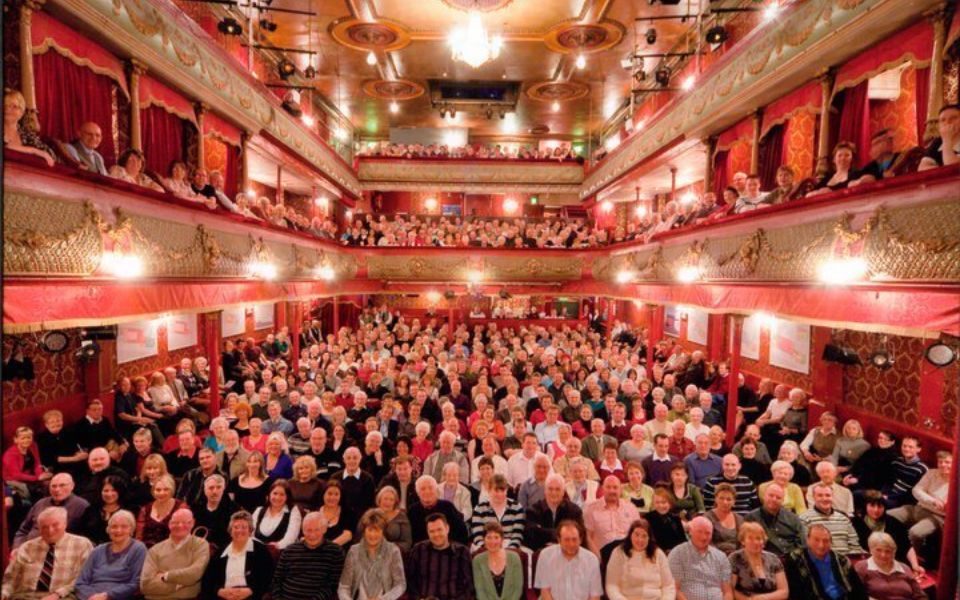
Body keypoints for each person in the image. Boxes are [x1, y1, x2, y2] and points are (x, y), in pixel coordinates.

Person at [1, 506, 93, 600]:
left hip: (63, 596)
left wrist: (58, 594)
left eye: (55, 525)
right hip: (27, 596)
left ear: (65, 524)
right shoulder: (27, 547)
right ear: (39, 528)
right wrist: (3, 594)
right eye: (44, 527)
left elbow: (83, 578)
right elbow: (10, 579)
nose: (50, 531)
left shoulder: (82, 545)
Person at [887, 449, 951, 561]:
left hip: (936, 517)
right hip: (918, 508)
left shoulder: (956, 482)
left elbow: (947, 507)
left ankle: (912, 559)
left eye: (947, 462)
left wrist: (932, 499)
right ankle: (890, 548)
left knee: (915, 533)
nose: (943, 465)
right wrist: (933, 500)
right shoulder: (931, 473)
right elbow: (916, 490)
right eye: (940, 462)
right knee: (889, 515)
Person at [270, 512, 346, 600]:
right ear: (303, 531)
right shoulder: (289, 551)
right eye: (308, 530)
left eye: (317, 530)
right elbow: (276, 581)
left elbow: (332, 585)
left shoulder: (336, 552)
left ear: (324, 529)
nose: (312, 535)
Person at [201, 509, 274, 600]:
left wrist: (251, 590)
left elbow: (268, 577)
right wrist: (219, 591)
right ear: (230, 531)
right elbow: (208, 580)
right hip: (224, 596)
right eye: (236, 527)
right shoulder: (221, 552)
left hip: (251, 596)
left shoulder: (260, 550)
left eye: (244, 527)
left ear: (250, 531)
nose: (239, 530)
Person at [74, 510, 147, 600]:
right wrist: (91, 596)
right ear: (108, 530)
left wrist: (107, 596)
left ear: (131, 529)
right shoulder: (98, 550)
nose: (118, 530)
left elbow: (136, 583)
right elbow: (81, 582)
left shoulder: (138, 548)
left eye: (124, 527)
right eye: (114, 527)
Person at [140, 508, 210, 600]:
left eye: (185, 522)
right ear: (169, 524)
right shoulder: (155, 549)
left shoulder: (200, 545)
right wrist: (179, 584)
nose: (180, 526)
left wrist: (166, 576)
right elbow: (145, 585)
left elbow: (195, 574)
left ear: (193, 523)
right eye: (175, 522)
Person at [784, 524, 867, 600]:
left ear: (830, 543)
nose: (821, 545)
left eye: (826, 541)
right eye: (816, 540)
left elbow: (858, 589)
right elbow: (795, 594)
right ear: (808, 540)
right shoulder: (795, 560)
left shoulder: (842, 560)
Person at [337, 509, 406, 600]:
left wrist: (384, 599)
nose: (372, 535)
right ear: (364, 530)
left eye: (377, 530)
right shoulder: (354, 551)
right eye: (370, 530)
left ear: (383, 531)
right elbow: (344, 586)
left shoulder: (393, 551)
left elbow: (400, 584)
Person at [852, 491, 924, 578]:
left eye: (880, 506)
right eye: (872, 505)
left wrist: (915, 565)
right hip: (870, 565)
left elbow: (907, 546)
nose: (876, 510)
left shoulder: (893, 522)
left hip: (895, 563)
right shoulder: (857, 523)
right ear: (865, 506)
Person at [406, 513, 474, 600]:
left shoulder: (462, 552)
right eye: (432, 531)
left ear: (447, 529)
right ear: (427, 532)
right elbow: (410, 582)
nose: (436, 534)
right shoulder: (418, 550)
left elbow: (468, 586)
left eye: (439, 530)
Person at [605, 518, 676, 600]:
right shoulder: (618, 552)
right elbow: (611, 586)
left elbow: (668, 586)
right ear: (630, 535)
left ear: (649, 538)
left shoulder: (658, 554)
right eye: (636, 534)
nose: (640, 540)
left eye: (644, 536)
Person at [13, 472, 90, 548]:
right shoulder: (40, 503)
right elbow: (23, 530)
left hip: (61, 551)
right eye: (53, 486)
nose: (57, 489)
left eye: (62, 485)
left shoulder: (82, 505)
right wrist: (17, 547)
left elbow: (86, 537)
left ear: (72, 486)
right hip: (29, 549)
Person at [667, 516, 734, 600]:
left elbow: (727, 592)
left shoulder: (721, 557)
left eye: (708, 533)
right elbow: (675, 589)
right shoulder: (677, 553)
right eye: (699, 532)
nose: (704, 537)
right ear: (690, 532)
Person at [534, 520, 603, 600]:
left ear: (580, 539)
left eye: (574, 539)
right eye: (567, 540)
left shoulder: (591, 560)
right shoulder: (546, 556)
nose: (571, 544)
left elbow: (595, 595)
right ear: (559, 540)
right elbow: (545, 591)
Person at [853, 532, 925, 600]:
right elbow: (855, 595)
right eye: (878, 550)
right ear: (871, 550)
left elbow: (920, 596)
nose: (883, 555)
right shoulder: (862, 567)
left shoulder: (904, 568)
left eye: (888, 551)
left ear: (894, 553)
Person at [524, 473, 584, 551]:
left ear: (563, 492)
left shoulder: (574, 511)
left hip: (568, 551)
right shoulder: (533, 510)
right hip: (540, 552)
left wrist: (542, 531)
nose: (554, 493)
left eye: (557, 489)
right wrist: (562, 534)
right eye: (550, 489)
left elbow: (579, 535)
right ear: (545, 491)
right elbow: (530, 536)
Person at [799, 484, 863, 556]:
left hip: (846, 561)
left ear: (832, 497)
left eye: (828, 495)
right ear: (814, 497)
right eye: (820, 495)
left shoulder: (843, 519)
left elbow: (855, 545)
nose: (825, 499)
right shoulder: (805, 519)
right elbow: (807, 547)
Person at [728, 522, 788, 599]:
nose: (756, 542)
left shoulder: (773, 559)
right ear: (743, 541)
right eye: (750, 538)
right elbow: (728, 590)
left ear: (764, 542)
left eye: (759, 538)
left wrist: (763, 598)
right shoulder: (734, 558)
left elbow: (784, 591)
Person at [744, 483, 806, 557]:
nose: (774, 499)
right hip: (765, 559)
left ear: (783, 500)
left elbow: (802, 543)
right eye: (771, 495)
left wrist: (794, 556)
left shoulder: (793, 518)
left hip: (792, 559)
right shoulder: (751, 518)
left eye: (778, 497)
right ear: (764, 496)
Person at [584, 476, 641, 555]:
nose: (612, 491)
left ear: (620, 490)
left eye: (615, 487)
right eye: (608, 487)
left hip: (627, 553)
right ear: (602, 489)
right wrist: (597, 558)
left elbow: (638, 533)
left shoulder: (631, 508)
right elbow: (587, 537)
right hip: (603, 554)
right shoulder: (591, 509)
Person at [408, 475, 470, 545]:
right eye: (423, 489)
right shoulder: (412, 511)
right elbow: (411, 538)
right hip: (422, 551)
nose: (427, 491)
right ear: (418, 493)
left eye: (430, 488)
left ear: (436, 490)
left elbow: (461, 533)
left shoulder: (448, 507)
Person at [469, 474, 525, 551]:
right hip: (486, 548)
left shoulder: (516, 507)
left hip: (510, 548)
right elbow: (478, 536)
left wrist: (508, 551)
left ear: (507, 490)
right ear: (489, 490)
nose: (499, 494)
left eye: (502, 490)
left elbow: (517, 535)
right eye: (496, 490)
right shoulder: (479, 509)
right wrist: (488, 549)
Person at [472, 522, 524, 600]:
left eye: (496, 537)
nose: (492, 541)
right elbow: (480, 591)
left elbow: (517, 589)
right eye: (489, 537)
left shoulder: (514, 558)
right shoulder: (477, 561)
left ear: (502, 539)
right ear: (484, 539)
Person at [3, 89, 56, 166]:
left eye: (14, 106)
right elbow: (6, 148)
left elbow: (50, 155)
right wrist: (32, 151)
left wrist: (36, 151)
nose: (8, 109)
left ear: (21, 112)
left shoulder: (27, 135)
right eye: (5, 105)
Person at [136, 474, 187, 548]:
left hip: (172, 550)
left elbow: (183, 535)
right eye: (158, 490)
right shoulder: (145, 509)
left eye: (166, 489)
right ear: (153, 491)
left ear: (172, 490)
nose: (161, 493)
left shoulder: (181, 508)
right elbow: (139, 537)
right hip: (147, 551)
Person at [252, 479, 303, 551]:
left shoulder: (293, 511)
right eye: (275, 493)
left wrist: (277, 546)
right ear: (269, 494)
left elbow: (291, 537)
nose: (277, 497)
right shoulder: (259, 510)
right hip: (257, 552)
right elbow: (250, 533)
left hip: (281, 553)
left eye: (282, 494)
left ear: (287, 497)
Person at [329, 447, 377, 512]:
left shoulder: (368, 479)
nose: (352, 461)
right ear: (344, 460)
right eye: (348, 458)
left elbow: (370, 503)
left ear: (360, 459)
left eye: (355, 458)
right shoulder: (335, 477)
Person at [918, 104, 960, 170]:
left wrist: (947, 139)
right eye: (943, 120)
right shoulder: (937, 142)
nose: (948, 122)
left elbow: (953, 168)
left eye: (953, 118)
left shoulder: (945, 139)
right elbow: (922, 168)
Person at [705, 483, 743, 555]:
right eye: (721, 498)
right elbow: (707, 542)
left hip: (736, 558)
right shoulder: (707, 518)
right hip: (714, 557)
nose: (725, 502)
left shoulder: (739, 519)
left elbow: (743, 542)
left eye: (729, 499)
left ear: (734, 502)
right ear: (716, 499)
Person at [375, 485, 413, 552]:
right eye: (385, 499)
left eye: (391, 500)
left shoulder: (402, 516)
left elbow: (407, 543)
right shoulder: (371, 515)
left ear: (395, 502)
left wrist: (390, 549)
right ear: (379, 500)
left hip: (395, 553)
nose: (388, 502)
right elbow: (360, 537)